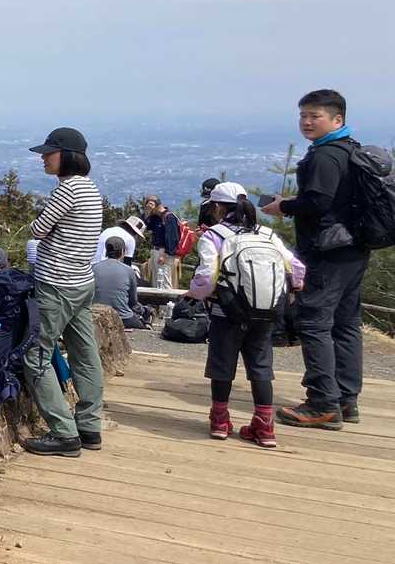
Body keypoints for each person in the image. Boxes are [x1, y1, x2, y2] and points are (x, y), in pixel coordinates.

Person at [262, 89, 370, 429]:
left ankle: (323, 403)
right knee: (346, 323)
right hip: (353, 248)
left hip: (327, 251)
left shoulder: (325, 155)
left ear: (337, 119)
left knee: (314, 322)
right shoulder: (351, 150)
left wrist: (284, 206)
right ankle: (346, 399)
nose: (306, 122)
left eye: (315, 116)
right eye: (303, 115)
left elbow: (319, 203)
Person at [195, 182, 304, 448]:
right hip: (265, 311)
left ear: (217, 207)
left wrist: (195, 293)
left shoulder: (214, 235)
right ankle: (264, 427)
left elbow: (207, 276)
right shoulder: (267, 234)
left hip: (226, 311)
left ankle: (220, 422)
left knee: (222, 365)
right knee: (261, 367)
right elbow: (297, 267)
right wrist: (292, 289)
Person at [22, 127, 105, 457]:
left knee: (36, 355)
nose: (43, 158)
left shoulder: (66, 191)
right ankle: (90, 426)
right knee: (85, 353)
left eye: (49, 153)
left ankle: (63, 433)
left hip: (56, 283)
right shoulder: (91, 189)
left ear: (67, 156)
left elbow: (37, 229)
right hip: (82, 281)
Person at [93, 238, 150, 329]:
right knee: (144, 326)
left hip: (98, 315)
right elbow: (133, 302)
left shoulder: (94, 267)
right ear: (122, 251)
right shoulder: (129, 270)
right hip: (123, 318)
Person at [143, 196, 182, 290]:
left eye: (151, 204)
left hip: (163, 253)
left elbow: (172, 238)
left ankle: (167, 299)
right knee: (156, 282)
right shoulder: (156, 217)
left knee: (164, 281)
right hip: (155, 250)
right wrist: (148, 212)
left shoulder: (169, 217)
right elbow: (146, 226)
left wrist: (165, 255)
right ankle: (157, 299)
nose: (149, 206)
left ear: (158, 205)